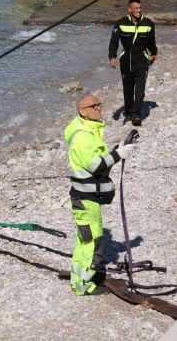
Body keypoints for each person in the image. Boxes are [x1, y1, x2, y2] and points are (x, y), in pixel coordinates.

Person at [64, 95, 133, 296]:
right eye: (92, 106)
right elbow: (94, 166)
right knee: (93, 244)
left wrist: (117, 150)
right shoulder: (83, 136)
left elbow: (97, 160)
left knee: (84, 242)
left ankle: (78, 280)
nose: (98, 108)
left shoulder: (88, 130)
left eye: (99, 104)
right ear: (82, 112)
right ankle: (84, 286)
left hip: (85, 198)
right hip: (86, 200)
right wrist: (118, 155)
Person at [109, 0, 157, 126]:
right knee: (128, 88)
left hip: (142, 60)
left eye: (140, 8)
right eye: (136, 8)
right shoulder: (121, 23)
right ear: (129, 9)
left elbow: (152, 42)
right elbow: (114, 42)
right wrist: (112, 57)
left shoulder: (148, 23)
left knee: (140, 89)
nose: (139, 10)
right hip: (126, 61)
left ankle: (136, 114)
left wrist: (153, 54)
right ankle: (129, 112)